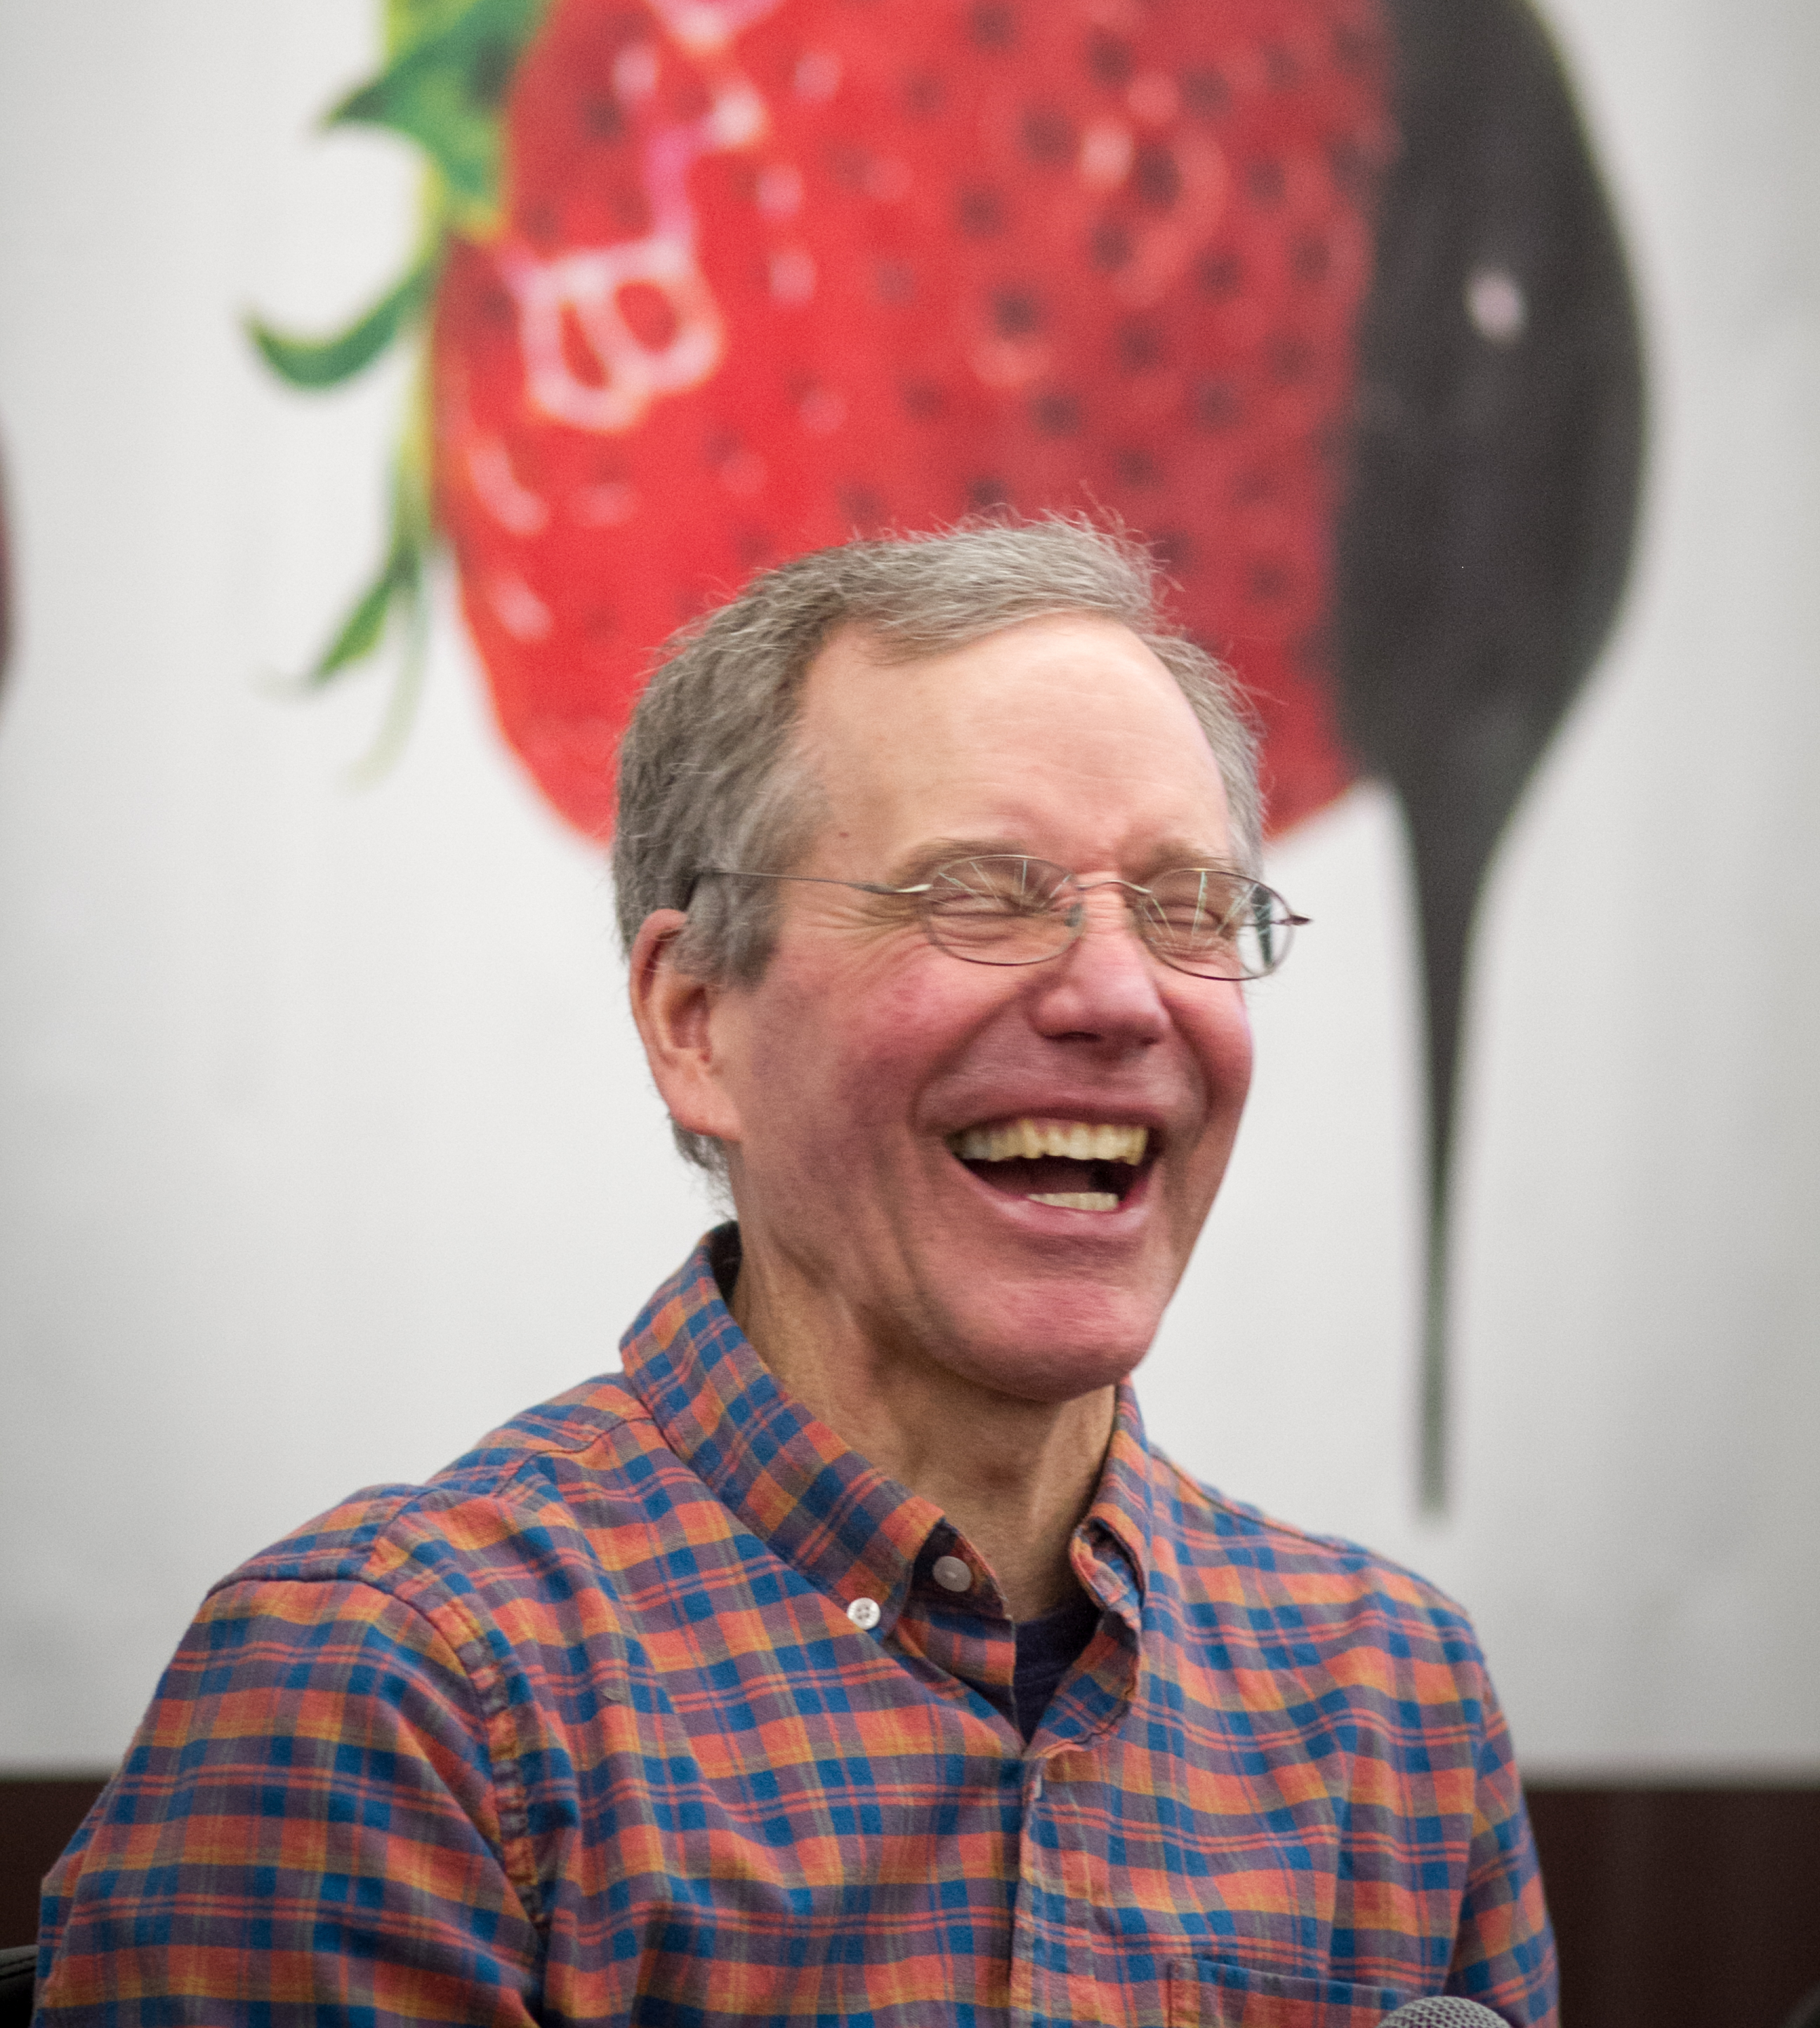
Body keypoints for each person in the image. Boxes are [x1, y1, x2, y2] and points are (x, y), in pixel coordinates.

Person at [36, 518, 1557, 2026]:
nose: (1118, 994)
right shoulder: (400, 1691)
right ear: (696, 1017)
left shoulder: (1390, 1699)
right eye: (981, 891)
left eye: (1190, 909)